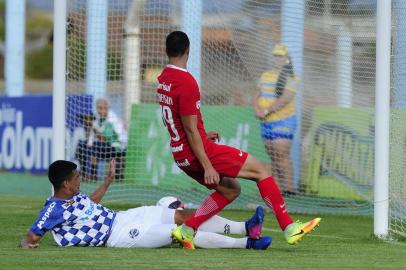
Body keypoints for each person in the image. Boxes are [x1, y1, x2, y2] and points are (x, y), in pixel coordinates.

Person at [156, 31, 320, 249]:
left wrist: (203, 136)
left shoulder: (163, 79)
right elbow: (190, 128)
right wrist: (207, 165)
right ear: (188, 50)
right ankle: (289, 228)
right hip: (199, 152)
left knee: (231, 189)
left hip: (181, 153)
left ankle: (187, 229)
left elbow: (181, 123)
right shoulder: (186, 81)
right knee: (262, 170)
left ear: (167, 51)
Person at [19, 159, 271, 250]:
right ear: (64, 183)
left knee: (184, 216)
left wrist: (106, 183)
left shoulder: (74, 196)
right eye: (76, 177)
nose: (80, 178)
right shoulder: (53, 209)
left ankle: (246, 227)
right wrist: (27, 244)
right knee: (181, 233)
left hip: (125, 216)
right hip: (118, 235)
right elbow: (32, 235)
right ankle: (247, 243)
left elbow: (90, 205)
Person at [253, 44, 298, 195]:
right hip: (266, 122)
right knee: (272, 155)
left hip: (284, 120)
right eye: (275, 55)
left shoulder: (291, 77)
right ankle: (278, 189)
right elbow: (257, 94)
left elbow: (285, 98)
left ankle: (290, 189)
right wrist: (257, 109)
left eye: (280, 55)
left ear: (287, 58)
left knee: (282, 154)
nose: (277, 58)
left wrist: (265, 111)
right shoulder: (265, 75)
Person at [75, 98, 128, 181]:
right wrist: (88, 126)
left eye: (101, 108)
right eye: (98, 108)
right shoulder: (98, 118)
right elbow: (91, 139)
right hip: (104, 147)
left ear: (107, 107)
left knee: (95, 146)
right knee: (81, 145)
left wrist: (93, 127)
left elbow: (104, 139)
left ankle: (93, 175)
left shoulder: (112, 119)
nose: (99, 111)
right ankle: (84, 174)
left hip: (117, 148)